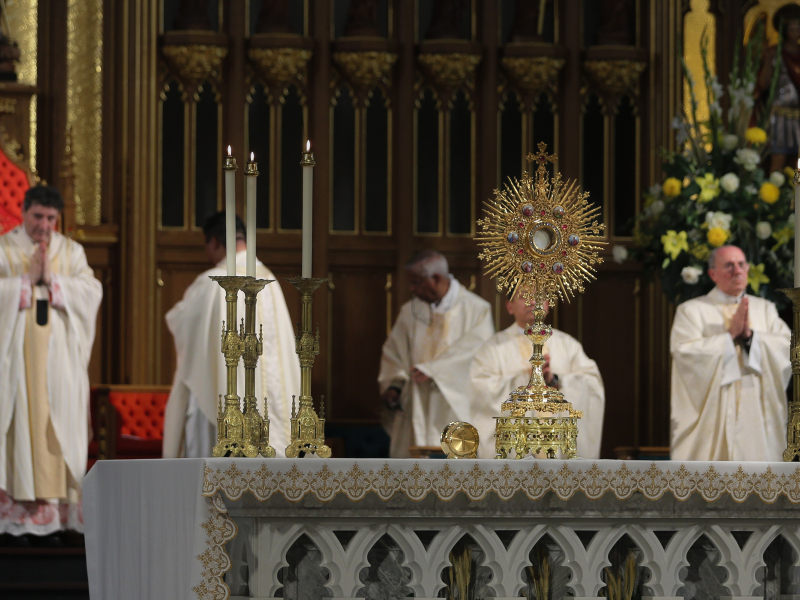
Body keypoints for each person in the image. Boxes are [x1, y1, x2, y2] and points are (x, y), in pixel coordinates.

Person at [0, 185, 102, 535]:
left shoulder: (71, 252)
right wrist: (23, 284)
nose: (44, 225)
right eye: (37, 216)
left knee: (58, 429)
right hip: (16, 365)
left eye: (51, 218)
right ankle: (16, 523)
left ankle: (58, 521)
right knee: (19, 429)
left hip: (61, 364)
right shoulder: (4, 247)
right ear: (23, 212)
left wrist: (53, 281)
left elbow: (92, 291)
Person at [162, 212, 300, 458]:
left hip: (223, 402)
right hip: (272, 408)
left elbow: (182, 323)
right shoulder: (270, 281)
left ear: (214, 241)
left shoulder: (212, 282)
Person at [670, 245, 791, 461]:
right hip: (712, 418)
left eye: (741, 264)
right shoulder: (691, 311)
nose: (737, 271)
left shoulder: (765, 309)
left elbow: (787, 348)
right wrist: (728, 337)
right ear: (712, 274)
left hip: (758, 416)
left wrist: (751, 337)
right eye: (729, 265)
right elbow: (684, 353)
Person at [378, 250, 494, 457]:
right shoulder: (410, 311)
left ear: (436, 279)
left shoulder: (477, 309)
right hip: (416, 403)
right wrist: (394, 385)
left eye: (417, 283)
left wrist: (433, 370)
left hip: (454, 405)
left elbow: (477, 351)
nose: (412, 289)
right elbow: (395, 351)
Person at [470, 291, 605, 459]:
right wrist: (526, 379)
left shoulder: (568, 345)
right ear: (509, 306)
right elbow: (482, 391)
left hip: (559, 452)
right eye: (523, 296)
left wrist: (555, 380)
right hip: (515, 457)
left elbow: (591, 384)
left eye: (539, 296)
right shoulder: (492, 349)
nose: (532, 301)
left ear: (548, 304)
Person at [758, 4, 800, 173]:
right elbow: (763, 84)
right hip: (780, 116)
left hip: (799, 116)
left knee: (797, 166)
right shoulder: (775, 53)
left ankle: (796, 190)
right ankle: (774, 188)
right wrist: (768, 60)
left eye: (799, 28)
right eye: (792, 29)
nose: (796, 32)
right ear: (784, 30)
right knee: (778, 162)